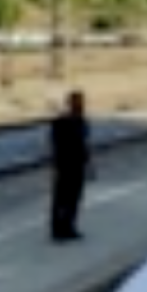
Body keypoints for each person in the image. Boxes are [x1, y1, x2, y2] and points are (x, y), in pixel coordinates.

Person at [49, 90, 91, 241]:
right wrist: (57, 164)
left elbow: (84, 144)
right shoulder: (62, 122)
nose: (80, 105)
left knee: (73, 198)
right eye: (77, 102)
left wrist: (88, 162)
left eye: (81, 102)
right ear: (70, 104)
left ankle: (68, 226)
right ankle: (59, 229)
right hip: (66, 166)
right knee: (63, 198)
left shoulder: (82, 121)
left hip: (76, 165)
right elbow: (56, 145)